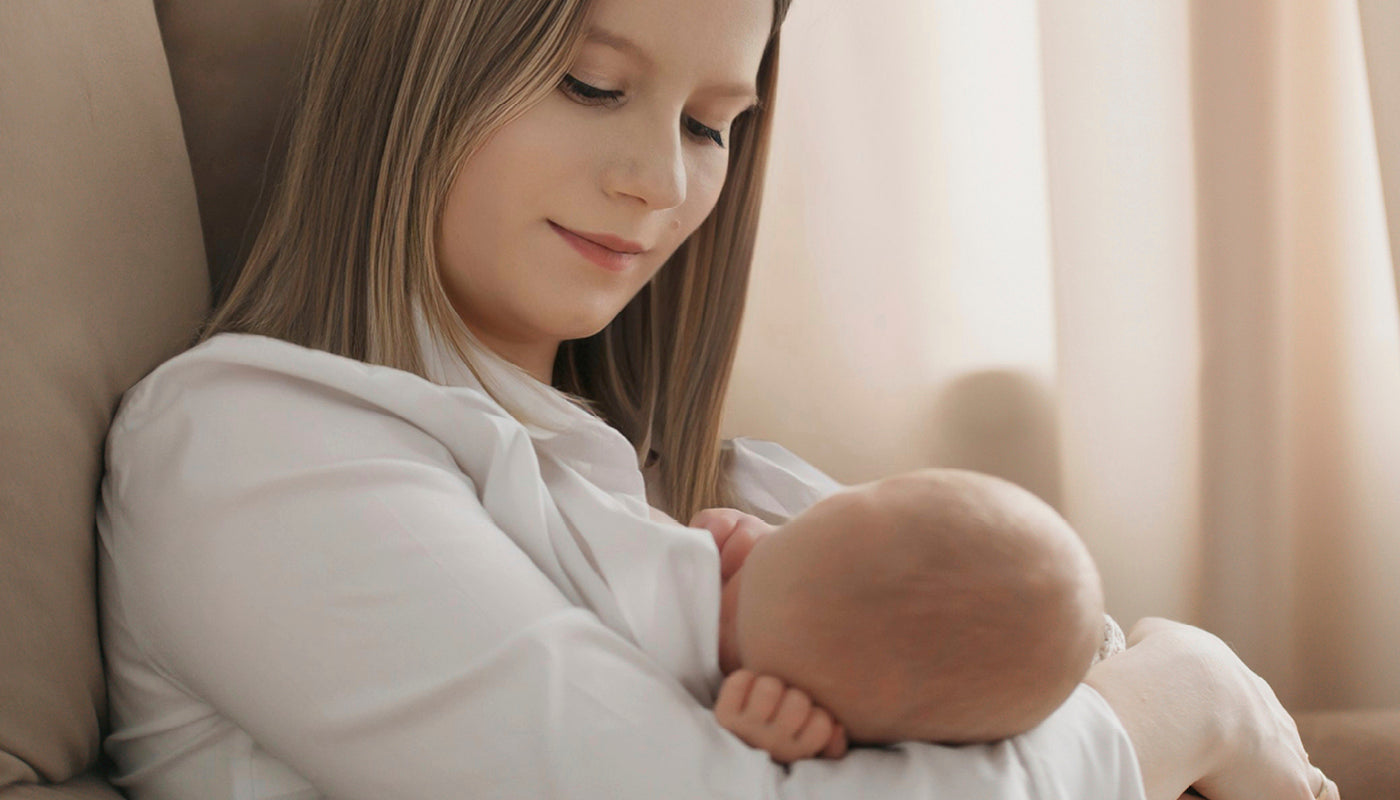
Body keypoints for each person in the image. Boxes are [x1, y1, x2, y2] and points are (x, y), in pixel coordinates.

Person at [94, 0, 1337, 798]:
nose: (656, 181)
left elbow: (1075, 668)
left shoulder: (753, 496)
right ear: (423, 66)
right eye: (590, 85)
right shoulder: (249, 445)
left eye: (708, 122)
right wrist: (1190, 698)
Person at [697, 468, 1113, 764]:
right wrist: (740, 530)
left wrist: (760, 744)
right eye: (786, 536)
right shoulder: (765, 556)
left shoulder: (792, 732)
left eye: (733, 632)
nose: (721, 588)